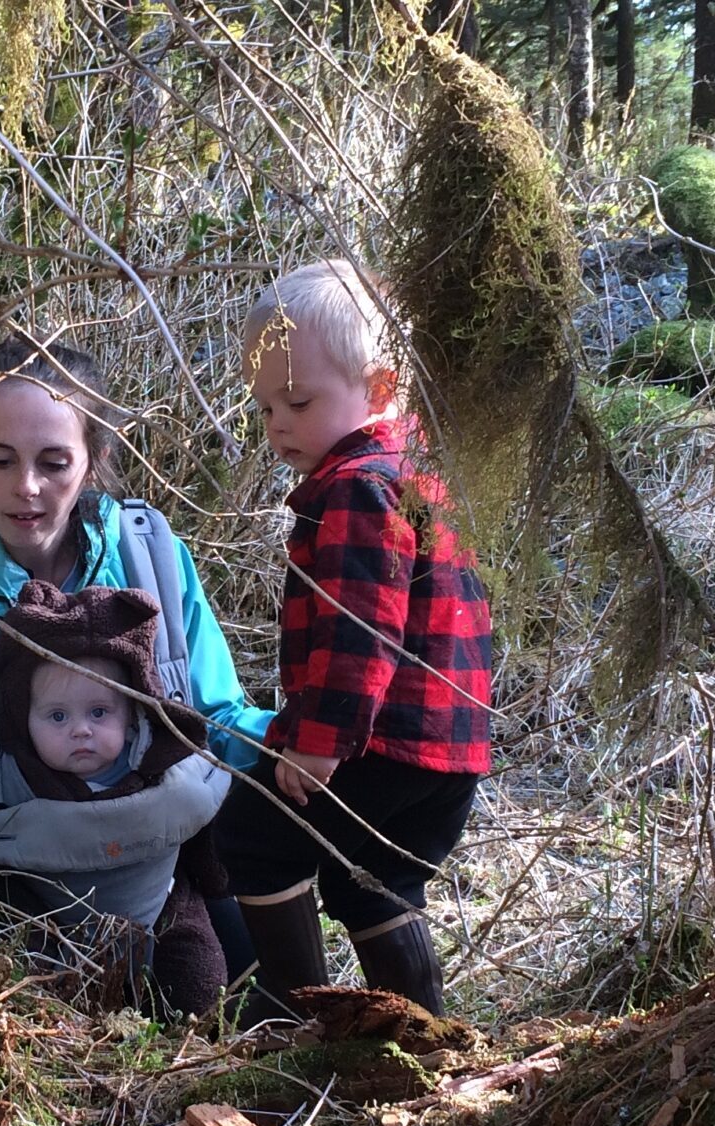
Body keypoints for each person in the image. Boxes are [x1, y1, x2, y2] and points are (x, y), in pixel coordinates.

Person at [0, 335, 275, 977]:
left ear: (94, 457)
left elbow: (218, 716)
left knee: (262, 1005)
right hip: (17, 891)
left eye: (53, 463)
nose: (26, 488)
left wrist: (299, 746)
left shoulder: (149, 552)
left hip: (171, 866)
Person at [209, 259, 495, 1017]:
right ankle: (422, 1039)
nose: (276, 424)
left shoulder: (358, 490)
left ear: (378, 389)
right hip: (447, 748)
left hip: (379, 742)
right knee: (369, 874)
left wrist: (318, 740)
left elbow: (359, 628)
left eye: (297, 400)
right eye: (264, 405)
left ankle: (291, 1019)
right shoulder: (416, 476)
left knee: (252, 831)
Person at [0, 580, 233, 1014]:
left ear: (133, 714)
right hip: (56, 920)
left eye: (99, 712)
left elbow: (200, 827)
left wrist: (216, 876)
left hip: (162, 900)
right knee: (36, 977)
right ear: (23, 719)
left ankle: (193, 1035)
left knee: (198, 978)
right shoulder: (15, 782)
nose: (81, 730)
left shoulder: (160, 764)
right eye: (57, 716)